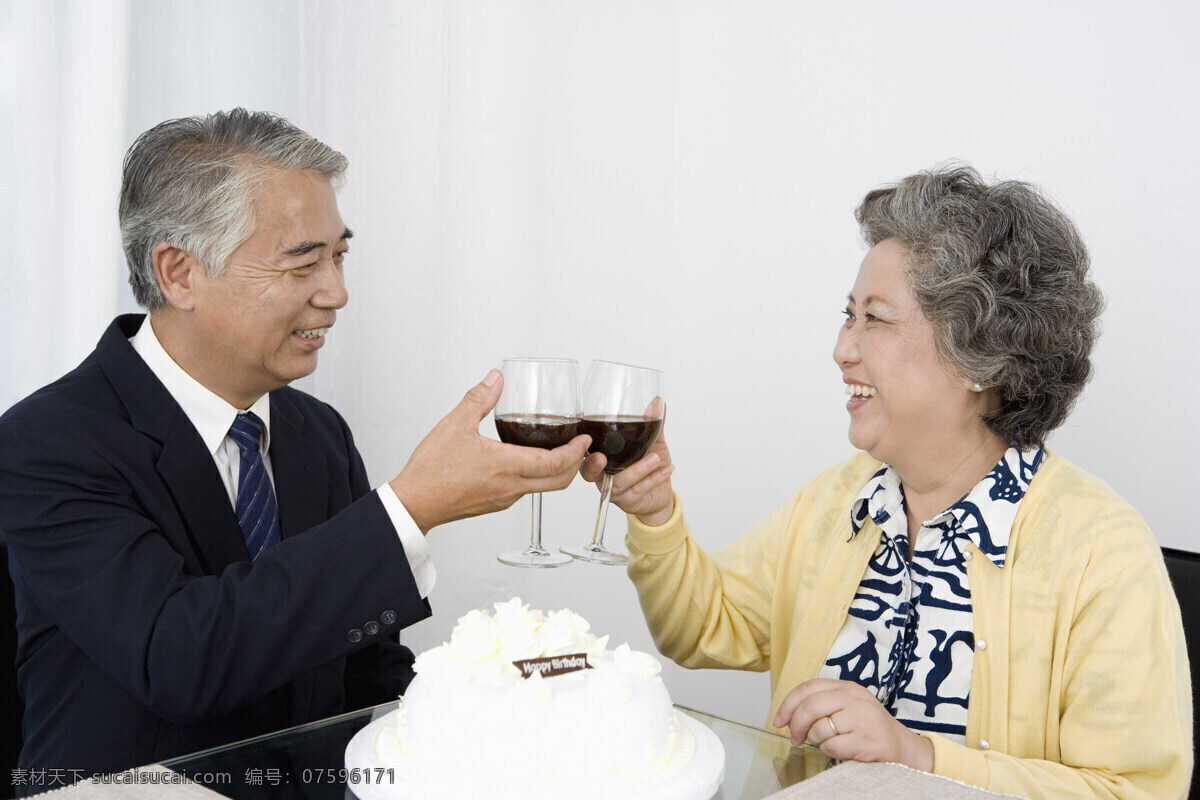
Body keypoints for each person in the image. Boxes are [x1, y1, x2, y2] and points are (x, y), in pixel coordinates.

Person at [0, 109, 590, 783]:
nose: (335, 293)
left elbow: (369, 670)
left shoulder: (317, 433)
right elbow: (178, 656)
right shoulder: (45, 444)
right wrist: (409, 509)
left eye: (338, 256)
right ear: (180, 273)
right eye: (304, 262)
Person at [585, 164, 1193, 798]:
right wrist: (655, 513)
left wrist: (919, 757)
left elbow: (1136, 791)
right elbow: (705, 627)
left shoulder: (1104, 550)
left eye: (874, 318)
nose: (842, 348)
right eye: (848, 315)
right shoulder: (841, 499)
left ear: (976, 354)